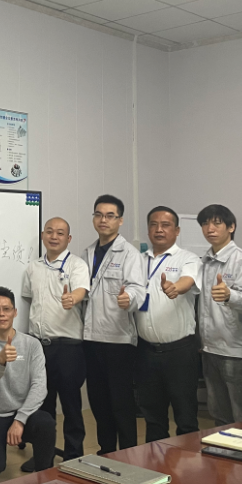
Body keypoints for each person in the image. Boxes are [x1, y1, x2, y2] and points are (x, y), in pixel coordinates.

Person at [19, 217, 89, 467]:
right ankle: (43, 457)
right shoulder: (32, 268)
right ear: (42, 235)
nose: (54, 236)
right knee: (42, 406)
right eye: (49, 232)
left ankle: (74, 456)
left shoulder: (77, 265)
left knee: (71, 405)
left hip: (68, 347)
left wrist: (73, 298)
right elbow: (29, 301)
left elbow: (81, 290)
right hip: (39, 347)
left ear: (68, 239)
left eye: (60, 233)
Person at [0, 287, 55, 479]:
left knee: (46, 423)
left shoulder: (32, 344)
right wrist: (0, 360)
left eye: (6, 309)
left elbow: (40, 386)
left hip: (21, 414)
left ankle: (44, 475)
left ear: (15, 312)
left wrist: (20, 419)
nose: (1, 314)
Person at [82, 195, 146, 455]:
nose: (103, 220)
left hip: (118, 340)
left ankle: (129, 453)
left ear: (120, 220)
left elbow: (139, 290)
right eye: (99, 214)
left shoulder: (129, 253)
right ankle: (106, 451)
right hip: (91, 338)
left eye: (110, 215)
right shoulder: (87, 253)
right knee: (98, 402)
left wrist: (128, 298)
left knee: (121, 403)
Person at [134, 207, 201, 443]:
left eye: (165, 225)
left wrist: (175, 288)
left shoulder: (188, 258)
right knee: (153, 416)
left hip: (179, 352)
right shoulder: (138, 261)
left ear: (177, 230)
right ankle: (155, 460)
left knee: (185, 415)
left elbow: (187, 280)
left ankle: (189, 462)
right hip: (145, 351)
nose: (159, 230)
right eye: (154, 224)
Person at [196, 204, 242, 425]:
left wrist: (229, 295)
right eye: (205, 224)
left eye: (217, 223)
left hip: (236, 352)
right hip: (209, 350)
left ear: (231, 227)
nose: (210, 229)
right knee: (219, 416)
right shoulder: (204, 261)